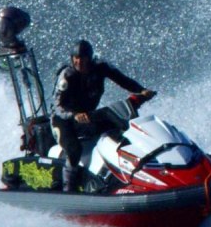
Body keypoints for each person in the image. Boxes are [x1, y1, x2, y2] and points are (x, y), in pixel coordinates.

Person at [50, 40, 155, 192]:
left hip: (87, 117)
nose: (79, 62)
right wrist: (74, 115)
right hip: (63, 121)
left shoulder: (101, 67)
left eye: (83, 58)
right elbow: (57, 106)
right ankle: (69, 188)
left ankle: (134, 171)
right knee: (74, 149)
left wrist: (141, 90)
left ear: (90, 58)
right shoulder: (67, 76)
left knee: (120, 126)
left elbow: (122, 80)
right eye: (76, 58)